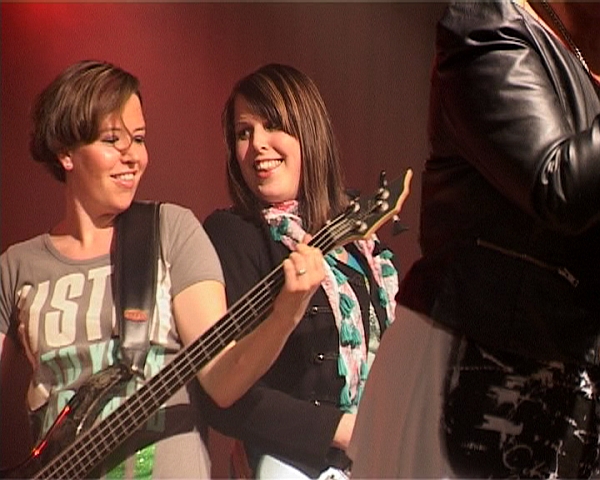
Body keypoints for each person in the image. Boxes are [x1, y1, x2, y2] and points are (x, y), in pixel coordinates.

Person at [0, 60, 326, 479]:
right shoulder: (17, 266)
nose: (132, 156)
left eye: (138, 139)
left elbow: (223, 380)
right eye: (112, 140)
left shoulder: (171, 230)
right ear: (65, 152)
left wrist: (286, 314)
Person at [348, 1, 600, 478]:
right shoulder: (487, 26)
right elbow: (557, 185)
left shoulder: (587, 60)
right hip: (472, 382)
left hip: (562, 394)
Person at [196, 63, 410, 479]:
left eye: (273, 125)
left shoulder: (360, 242)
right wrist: (343, 430)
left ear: (308, 133)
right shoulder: (235, 234)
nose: (258, 144)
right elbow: (221, 394)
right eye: (244, 133)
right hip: (295, 466)